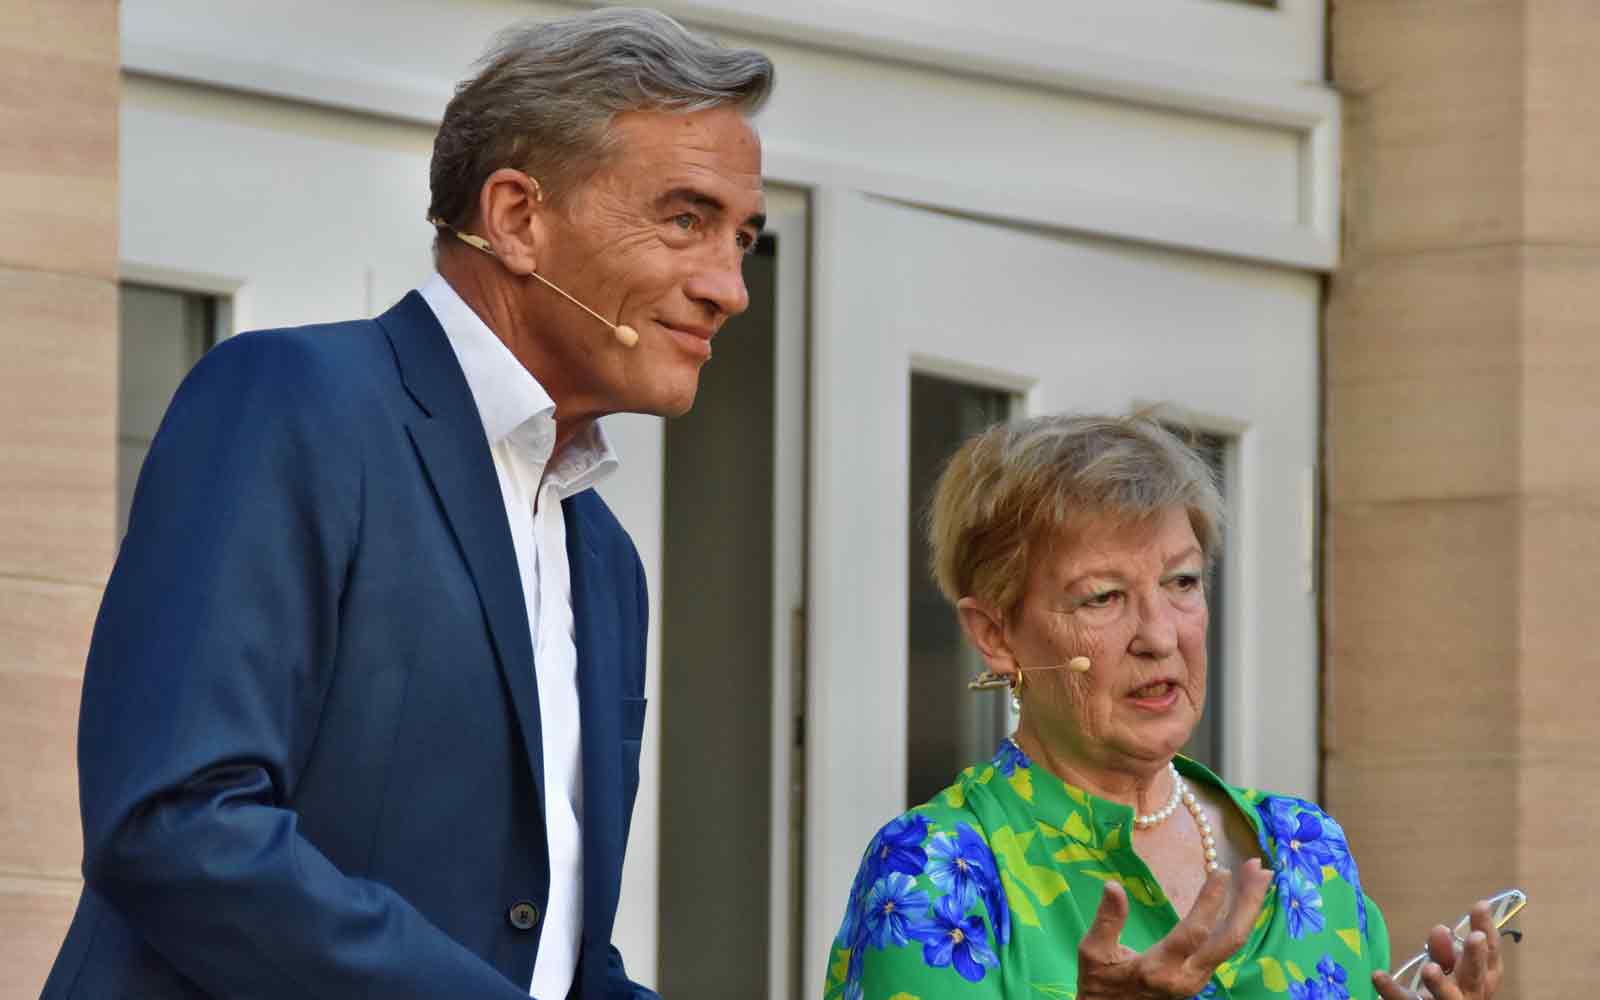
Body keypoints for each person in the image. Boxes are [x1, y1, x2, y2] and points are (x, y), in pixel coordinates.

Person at [43, 9, 771, 998]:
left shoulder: (607, 561)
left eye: (742, 238)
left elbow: (554, 953)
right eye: (686, 219)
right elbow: (175, 822)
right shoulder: (295, 403)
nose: (730, 287)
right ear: (516, 217)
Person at [822, 415, 1507, 1000]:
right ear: (996, 635)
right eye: (1102, 597)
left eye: (1181, 582)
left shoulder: (1307, 847)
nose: (1159, 635)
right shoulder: (935, 867)